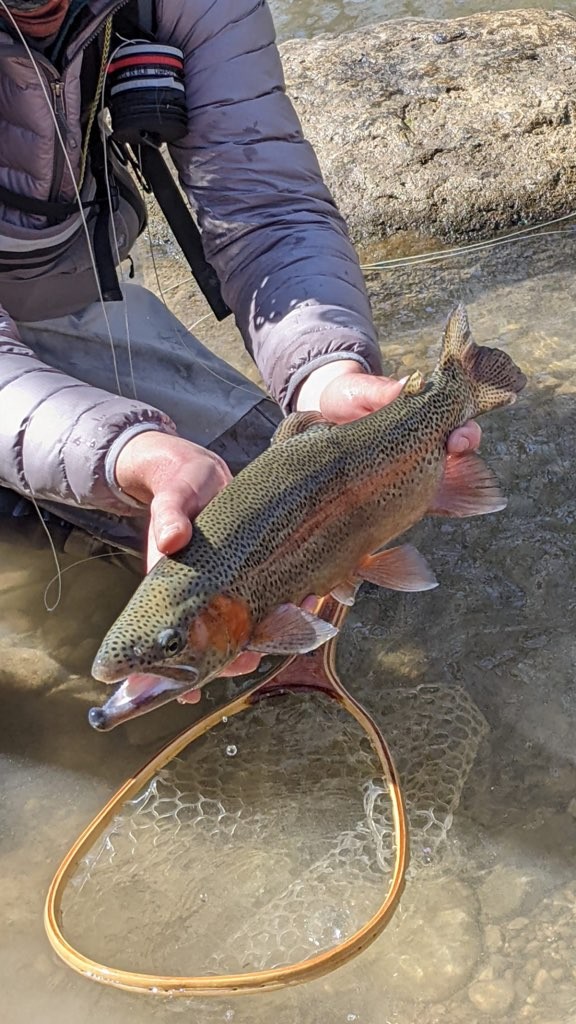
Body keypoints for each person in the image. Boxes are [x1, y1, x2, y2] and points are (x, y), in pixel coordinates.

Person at [0, 1, 480, 576]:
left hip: (57, 291)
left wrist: (323, 375)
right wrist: (122, 455)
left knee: (298, 518)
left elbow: (267, 207)